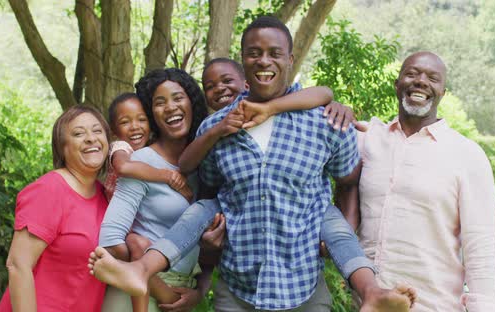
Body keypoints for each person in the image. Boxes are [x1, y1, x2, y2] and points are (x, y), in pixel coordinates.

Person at [89, 17, 415, 312]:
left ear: (290, 59)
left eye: (275, 53)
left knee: (331, 218)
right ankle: (142, 269)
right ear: (243, 59)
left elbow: (348, 179)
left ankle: (371, 291)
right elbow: (210, 186)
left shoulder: (326, 120)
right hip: (238, 289)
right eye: (254, 53)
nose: (264, 61)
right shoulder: (216, 127)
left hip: (302, 286)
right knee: (203, 206)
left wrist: (341, 227)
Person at [353, 51, 495, 312]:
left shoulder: (467, 155)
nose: (421, 81)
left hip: (435, 306)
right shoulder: (368, 140)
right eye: (412, 74)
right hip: (368, 305)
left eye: (432, 78)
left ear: (443, 92)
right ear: (397, 84)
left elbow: (480, 247)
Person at [98, 68, 214, 312]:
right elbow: (110, 241)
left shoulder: (207, 166)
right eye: (160, 102)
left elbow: (205, 251)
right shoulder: (142, 163)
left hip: (183, 296)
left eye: (178, 98)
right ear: (152, 114)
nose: (170, 107)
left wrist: (198, 293)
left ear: (192, 102)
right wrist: (162, 290)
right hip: (140, 296)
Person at [0, 106, 110, 311]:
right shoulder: (49, 190)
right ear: (62, 147)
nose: (90, 138)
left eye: (97, 131)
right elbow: (18, 265)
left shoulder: (106, 196)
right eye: (78, 133)